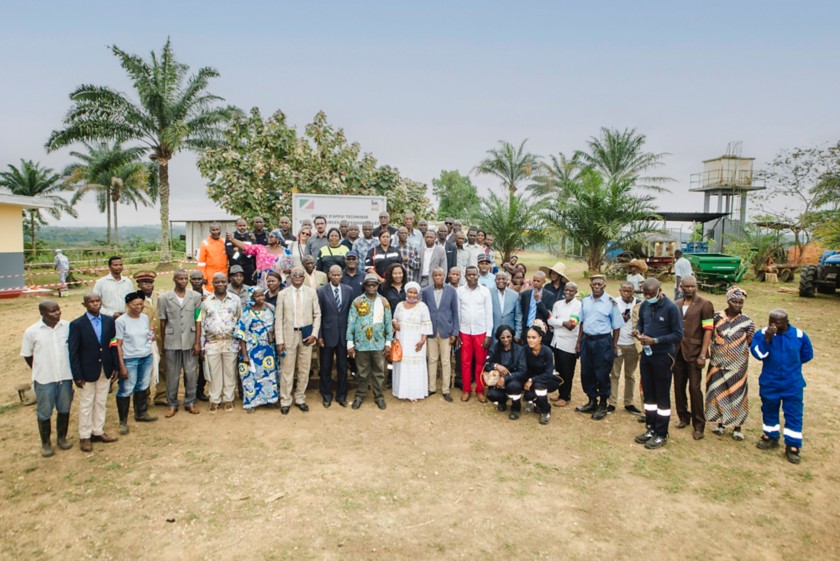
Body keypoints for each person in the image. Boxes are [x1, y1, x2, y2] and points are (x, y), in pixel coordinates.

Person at [752, 308, 814, 464]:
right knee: (769, 409)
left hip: (792, 383)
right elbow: (758, 354)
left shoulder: (799, 335)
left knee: (793, 413)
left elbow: (807, 355)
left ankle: (792, 446)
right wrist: (767, 339)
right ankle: (770, 437)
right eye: (770, 321)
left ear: (786, 322)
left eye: (777, 322)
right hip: (770, 382)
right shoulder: (761, 334)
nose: (773, 325)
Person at [633, 278, 683, 450]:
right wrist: (638, 330)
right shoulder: (645, 305)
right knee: (648, 394)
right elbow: (641, 322)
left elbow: (678, 334)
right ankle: (651, 427)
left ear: (659, 290)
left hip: (663, 356)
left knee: (661, 396)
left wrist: (655, 340)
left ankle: (661, 433)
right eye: (645, 294)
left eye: (651, 294)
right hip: (647, 356)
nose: (648, 297)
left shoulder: (671, 307)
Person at [21, 300, 74, 457]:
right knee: (44, 412)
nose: (57, 313)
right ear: (42, 313)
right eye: (52, 311)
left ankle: (62, 438)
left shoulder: (68, 327)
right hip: (44, 379)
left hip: (65, 376)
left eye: (58, 310)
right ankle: (46, 443)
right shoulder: (32, 332)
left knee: (64, 408)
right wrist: (40, 369)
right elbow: (28, 355)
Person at [69, 294, 119, 452]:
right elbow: (73, 352)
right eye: (91, 302)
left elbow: (113, 343)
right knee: (86, 403)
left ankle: (98, 431)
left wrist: (116, 366)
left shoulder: (109, 321)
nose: (95, 304)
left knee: (101, 401)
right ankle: (85, 435)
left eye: (97, 301)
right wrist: (77, 375)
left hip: (105, 367)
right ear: (84, 304)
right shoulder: (77, 324)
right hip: (87, 371)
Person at [705, 286, 755, 441]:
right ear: (728, 301)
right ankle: (720, 423)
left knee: (737, 394)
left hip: (737, 365)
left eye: (740, 302)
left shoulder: (747, 321)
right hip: (717, 363)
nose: (738, 305)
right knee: (718, 392)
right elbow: (707, 333)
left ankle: (737, 427)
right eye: (734, 301)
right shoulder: (715, 317)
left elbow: (750, 341)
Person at [575, 275, 624, 420]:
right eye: (594, 284)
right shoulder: (585, 301)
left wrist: (614, 345)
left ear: (604, 286)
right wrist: (578, 342)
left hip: (602, 342)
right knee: (586, 372)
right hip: (587, 340)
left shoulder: (611, 302)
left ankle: (603, 404)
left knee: (602, 374)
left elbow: (616, 326)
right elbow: (582, 323)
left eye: (599, 285)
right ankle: (592, 401)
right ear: (590, 285)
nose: (596, 287)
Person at [275, 265, 321, 415]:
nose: (298, 278)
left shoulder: (311, 293)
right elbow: (278, 319)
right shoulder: (283, 294)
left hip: (306, 335)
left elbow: (317, 315)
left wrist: (314, 333)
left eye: (301, 275)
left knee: (304, 369)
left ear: (304, 278)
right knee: (287, 370)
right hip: (289, 335)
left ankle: (300, 398)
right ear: (290, 277)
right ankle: (285, 400)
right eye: (295, 275)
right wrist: (279, 341)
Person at [673, 276, 714, 440]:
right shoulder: (676, 305)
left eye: (693, 286)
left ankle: (699, 424)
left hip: (695, 353)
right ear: (681, 287)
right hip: (678, 352)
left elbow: (708, 330)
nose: (690, 289)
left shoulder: (705, 304)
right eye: (687, 287)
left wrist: (703, 354)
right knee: (678, 387)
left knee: (695, 389)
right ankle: (683, 416)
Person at [158, 270, 202, 418]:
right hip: (172, 342)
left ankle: (190, 402)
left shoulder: (195, 297)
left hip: (190, 341)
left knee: (191, 373)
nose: (183, 281)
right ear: (174, 280)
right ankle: (172, 404)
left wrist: (197, 342)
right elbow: (163, 322)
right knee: (172, 375)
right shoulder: (164, 298)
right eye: (180, 279)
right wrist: (164, 343)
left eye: (185, 278)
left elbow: (198, 319)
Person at [347, 274, 393, 410]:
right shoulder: (357, 301)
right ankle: (360, 395)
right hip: (361, 343)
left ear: (378, 286)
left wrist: (388, 342)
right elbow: (351, 322)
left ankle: (378, 396)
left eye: (374, 285)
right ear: (365, 286)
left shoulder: (384, 301)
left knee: (379, 372)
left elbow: (388, 323)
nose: (372, 287)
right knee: (362, 372)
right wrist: (350, 343)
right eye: (369, 285)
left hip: (378, 343)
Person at [115, 291, 158, 434]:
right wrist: (121, 365)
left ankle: (141, 413)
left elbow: (148, 335)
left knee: (142, 385)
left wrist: (149, 347)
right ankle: (123, 421)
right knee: (126, 389)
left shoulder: (144, 318)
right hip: (130, 359)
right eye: (135, 305)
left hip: (145, 357)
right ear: (128, 305)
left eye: (141, 304)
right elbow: (118, 344)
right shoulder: (121, 321)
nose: (139, 307)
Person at [200, 273, 242, 413]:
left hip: (231, 342)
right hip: (212, 343)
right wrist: (201, 345)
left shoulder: (235, 300)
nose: (220, 284)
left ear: (227, 282)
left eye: (223, 281)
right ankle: (215, 399)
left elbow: (239, 319)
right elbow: (200, 321)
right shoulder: (205, 301)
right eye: (216, 282)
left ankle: (228, 399)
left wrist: (240, 342)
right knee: (214, 372)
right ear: (212, 283)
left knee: (230, 372)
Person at [235, 286, 279, 412]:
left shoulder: (271, 308)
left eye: (262, 295)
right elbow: (241, 334)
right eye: (257, 296)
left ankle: (270, 400)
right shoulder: (247, 313)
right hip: (252, 349)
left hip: (268, 349)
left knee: (269, 376)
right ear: (251, 298)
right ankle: (252, 403)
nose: (261, 298)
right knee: (251, 377)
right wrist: (244, 355)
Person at [317, 265, 353, 408]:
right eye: (334, 275)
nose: (336, 277)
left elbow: (351, 314)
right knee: (325, 367)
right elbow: (318, 314)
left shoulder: (348, 290)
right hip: (327, 334)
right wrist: (319, 335)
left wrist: (351, 335)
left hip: (343, 335)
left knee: (342, 367)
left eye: (339, 275)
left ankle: (342, 395)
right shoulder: (321, 291)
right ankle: (326, 395)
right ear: (329, 275)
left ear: (342, 275)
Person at [422, 267, 459, 402]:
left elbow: (455, 313)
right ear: (432, 276)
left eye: (440, 275)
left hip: (446, 331)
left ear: (444, 276)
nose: (438, 277)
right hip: (431, 330)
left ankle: (445, 389)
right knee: (432, 359)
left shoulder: (451, 291)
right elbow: (424, 311)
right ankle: (431, 388)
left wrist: (455, 332)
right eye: (435, 275)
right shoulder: (426, 292)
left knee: (445, 361)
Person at [391, 281, 433, 401]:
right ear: (406, 292)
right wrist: (394, 323)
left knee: (415, 367)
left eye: (415, 293)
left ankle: (415, 393)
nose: (412, 295)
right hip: (402, 339)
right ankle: (401, 392)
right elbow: (395, 318)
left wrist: (422, 341)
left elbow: (426, 324)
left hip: (416, 341)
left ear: (418, 294)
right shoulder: (400, 305)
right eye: (410, 292)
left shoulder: (423, 306)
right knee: (402, 365)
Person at [457, 266, 493, 402]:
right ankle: (466, 389)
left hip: (481, 332)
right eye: (469, 275)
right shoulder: (460, 292)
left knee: (480, 362)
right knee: (465, 362)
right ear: (465, 276)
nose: (472, 277)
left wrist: (488, 334)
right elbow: (458, 313)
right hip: (465, 331)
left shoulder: (485, 292)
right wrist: (458, 332)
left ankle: (480, 390)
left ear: (478, 276)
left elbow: (489, 313)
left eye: (474, 274)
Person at [607, 282, 642, 415]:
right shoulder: (614, 303)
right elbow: (607, 321)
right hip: (617, 343)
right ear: (620, 290)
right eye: (624, 291)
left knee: (630, 375)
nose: (626, 293)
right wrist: (619, 320)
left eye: (629, 291)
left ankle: (629, 402)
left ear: (634, 291)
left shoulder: (639, 304)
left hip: (632, 344)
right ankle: (612, 402)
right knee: (614, 374)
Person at [547, 282, 581, 408]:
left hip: (569, 344)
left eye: (571, 290)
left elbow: (572, 325)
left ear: (576, 292)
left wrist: (558, 322)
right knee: (559, 369)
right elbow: (550, 320)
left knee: (568, 371)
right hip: (556, 342)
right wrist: (562, 323)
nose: (568, 292)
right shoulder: (557, 304)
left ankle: (565, 396)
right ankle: (560, 393)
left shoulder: (578, 306)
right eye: (566, 290)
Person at [134, 270, 166, 407]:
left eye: (150, 282)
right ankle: (144, 398)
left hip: (160, 339)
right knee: (144, 370)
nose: (147, 285)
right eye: (144, 282)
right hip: (142, 342)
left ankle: (161, 395)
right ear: (139, 284)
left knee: (163, 368)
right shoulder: (134, 301)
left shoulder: (160, 298)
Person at [484, 325, 527, 419]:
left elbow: (523, 371)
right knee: (491, 394)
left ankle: (516, 407)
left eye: (508, 337)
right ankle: (502, 401)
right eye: (502, 337)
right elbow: (486, 365)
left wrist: (505, 378)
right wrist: (496, 366)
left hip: (514, 380)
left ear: (512, 336)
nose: (506, 339)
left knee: (513, 386)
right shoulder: (495, 348)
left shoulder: (520, 349)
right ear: (498, 338)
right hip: (498, 382)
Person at [228, 230, 293, 290]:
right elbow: (246, 247)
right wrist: (232, 240)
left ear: (278, 239)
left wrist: (288, 271)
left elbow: (290, 269)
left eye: (272, 236)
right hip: (263, 284)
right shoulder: (261, 249)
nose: (269, 238)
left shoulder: (286, 252)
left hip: (280, 285)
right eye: (269, 236)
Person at [522, 322, 560, 424]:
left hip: (546, 380)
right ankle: (533, 401)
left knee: (539, 387)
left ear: (540, 338)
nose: (530, 340)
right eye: (528, 337)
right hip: (530, 380)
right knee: (528, 396)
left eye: (534, 337)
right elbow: (522, 369)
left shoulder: (547, 352)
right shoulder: (525, 349)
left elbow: (548, 374)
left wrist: (532, 380)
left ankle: (545, 410)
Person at [189, 270, 211, 401]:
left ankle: (200, 390)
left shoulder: (209, 296)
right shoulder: (184, 295)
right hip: (189, 333)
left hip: (205, 334)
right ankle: (190, 393)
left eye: (199, 279)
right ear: (190, 280)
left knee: (203, 364)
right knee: (190, 366)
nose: (196, 281)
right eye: (194, 279)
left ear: (203, 280)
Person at [519, 271, 555, 343]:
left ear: (544, 281)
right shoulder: (526, 294)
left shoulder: (549, 295)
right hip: (527, 329)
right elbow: (522, 312)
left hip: (540, 331)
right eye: (534, 280)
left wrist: (538, 301)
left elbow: (547, 315)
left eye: (538, 281)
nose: (535, 283)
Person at [490, 271, 522, 339]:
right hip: (493, 333)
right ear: (495, 280)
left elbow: (518, 316)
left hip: (509, 333)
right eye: (498, 279)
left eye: (503, 279)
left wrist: (517, 334)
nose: (501, 281)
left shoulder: (515, 295)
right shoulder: (489, 293)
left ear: (507, 280)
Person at [226, 218, 257, 285]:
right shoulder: (231, 236)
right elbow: (229, 252)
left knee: (248, 286)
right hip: (235, 265)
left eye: (244, 225)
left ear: (247, 225)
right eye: (240, 226)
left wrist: (238, 249)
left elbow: (253, 250)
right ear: (236, 226)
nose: (242, 227)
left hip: (248, 266)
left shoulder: (251, 236)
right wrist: (246, 250)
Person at [197, 223, 228, 289]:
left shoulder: (224, 241)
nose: (216, 232)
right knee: (211, 293)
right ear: (210, 231)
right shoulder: (205, 243)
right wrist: (204, 276)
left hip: (224, 272)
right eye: (213, 230)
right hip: (210, 274)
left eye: (217, 229)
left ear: (220, 230)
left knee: (223, 291)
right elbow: (201, 263)